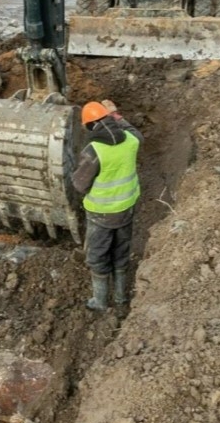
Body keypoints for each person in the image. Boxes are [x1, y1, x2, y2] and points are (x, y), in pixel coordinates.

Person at [72, 100, 144, 311]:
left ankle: (100, 302)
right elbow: (135, 133)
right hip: (126, 209)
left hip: (101, 214)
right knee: (121, 253)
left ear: (89, 126)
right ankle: (121, 299)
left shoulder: (94, 151)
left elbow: (79, 184)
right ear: (109, 119)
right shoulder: (131, 140)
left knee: (97, 257)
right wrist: (117, 116)